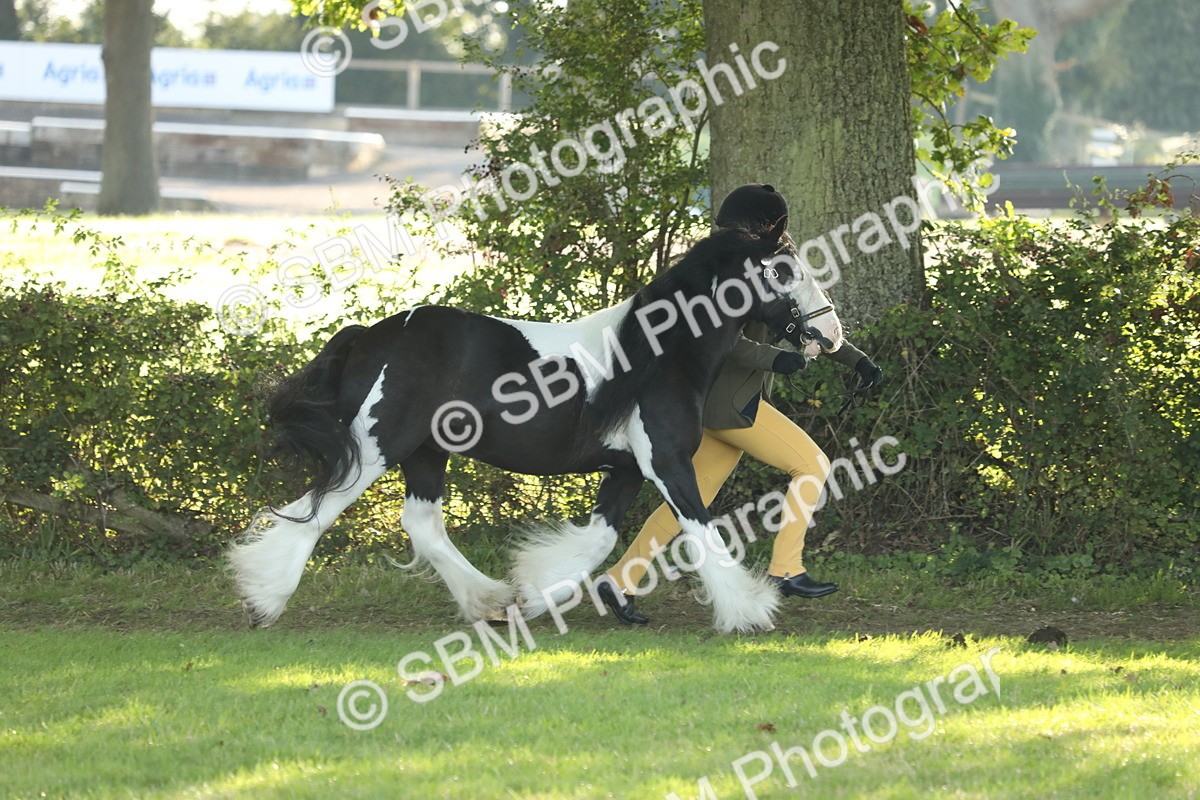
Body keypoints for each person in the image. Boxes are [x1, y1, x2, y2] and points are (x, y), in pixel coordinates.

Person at [595, 183, 883, 625]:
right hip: (729, 403)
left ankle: (620, 580)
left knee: (691, 499)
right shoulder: (727, 271)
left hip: (717, 405)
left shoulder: (767, 264)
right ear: (767, 225)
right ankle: (787, 567)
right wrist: (778, 359)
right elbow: (725, 343)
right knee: (812, 465)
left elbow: (809, 315)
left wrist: (855, 360)